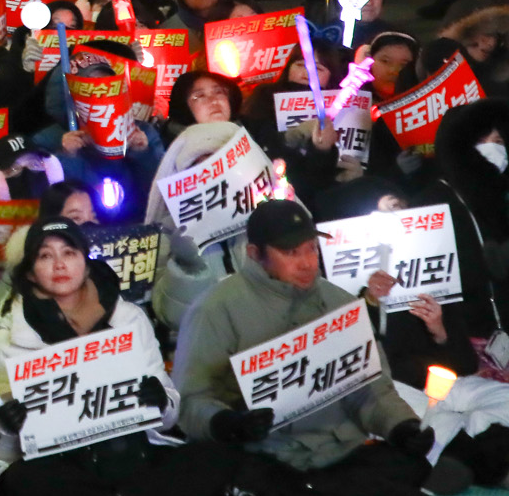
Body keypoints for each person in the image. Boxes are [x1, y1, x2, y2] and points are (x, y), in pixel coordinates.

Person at [0, 218, 241, 496]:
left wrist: (160, 401)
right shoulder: (3, 345)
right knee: (21, 480)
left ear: (86, 263)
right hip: (65, 463)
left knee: (213, 455)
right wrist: (5, 426)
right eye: (45, 256)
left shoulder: (129, 319)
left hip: (132, 454)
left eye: (70, 252)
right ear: (29, 272)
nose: (60, 264)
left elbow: (169, 414)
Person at [172, 200, 437, 477]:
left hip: (340, 451)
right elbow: (191, 400)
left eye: (312, 248)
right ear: (254, 254)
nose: (307, 263)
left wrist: (401, 426)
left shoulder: (341, 304)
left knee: (416, 471)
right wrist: (228, 423)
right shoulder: (215, 309)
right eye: (291, 252)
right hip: (263, 457)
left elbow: (372, 390)